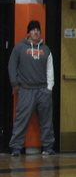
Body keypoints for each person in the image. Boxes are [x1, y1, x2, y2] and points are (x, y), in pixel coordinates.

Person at [7, 20, 55, 156]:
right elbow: (12, 66)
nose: (36, 32)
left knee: (46, 120)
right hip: (26, 90)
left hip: (43, 90)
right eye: (33, 30)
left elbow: (50, 69)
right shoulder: (19, 48)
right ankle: (16, 147)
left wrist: (49, 88)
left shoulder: (46, 50)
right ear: (28, 33)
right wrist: (15, 84)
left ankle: (47, 146)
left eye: (38, 30)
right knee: (21, 119)